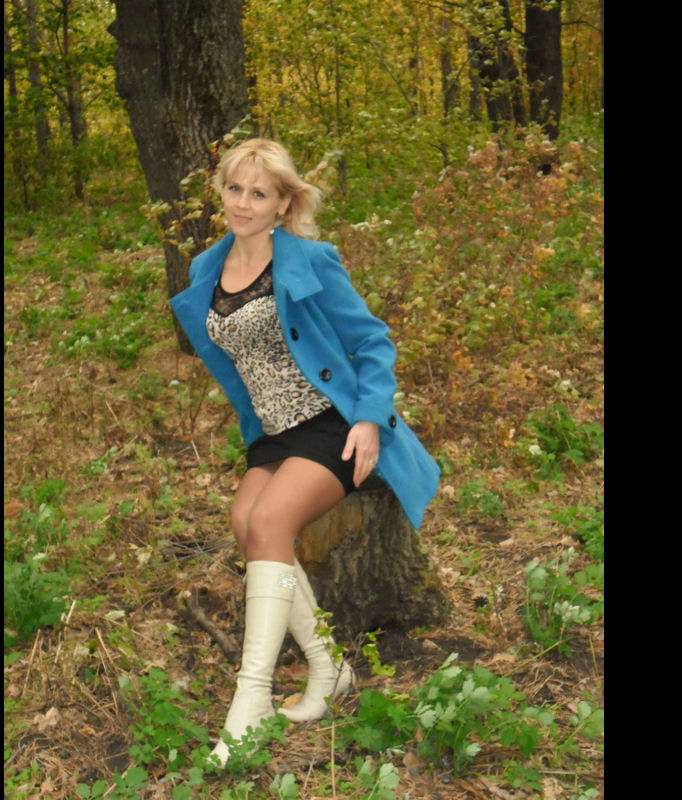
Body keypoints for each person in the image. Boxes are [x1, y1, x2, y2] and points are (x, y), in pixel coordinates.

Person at [170, 138, 440, 766]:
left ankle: (251, 700)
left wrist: (369, 419)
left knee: (269, 520)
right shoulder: (207, 269)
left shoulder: (311, 260)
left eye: (259, 193)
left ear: (283, 204)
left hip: (332, 423)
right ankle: (328, 669)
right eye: (234, 189)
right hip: (272, 433)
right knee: (245, 522)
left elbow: (372, 342)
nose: (243, 203)